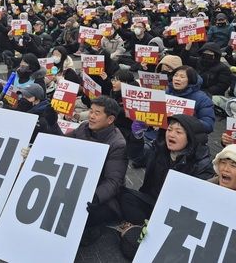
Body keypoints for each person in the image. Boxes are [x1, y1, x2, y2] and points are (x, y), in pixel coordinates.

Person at [120, 114, 214, 225]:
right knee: (122, 195)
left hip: (176, 213)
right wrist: (137, 137)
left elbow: (197, 203)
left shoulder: (202, 163)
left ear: (191, 138)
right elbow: (137, 156)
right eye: (169, 130)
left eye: (178, 132)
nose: (171, 135)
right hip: (152, 200)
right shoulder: (159, 149)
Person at [68, 96, 127, 245]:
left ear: (110, 119)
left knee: (81, 217)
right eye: (91, 111)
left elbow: (114, 181)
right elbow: (63, 143)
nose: (91, 116)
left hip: (100, 194)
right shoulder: (83, 127)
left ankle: (94, 229)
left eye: (97, 113)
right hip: (77, 180)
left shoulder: (117, 144)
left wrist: (95, 197)